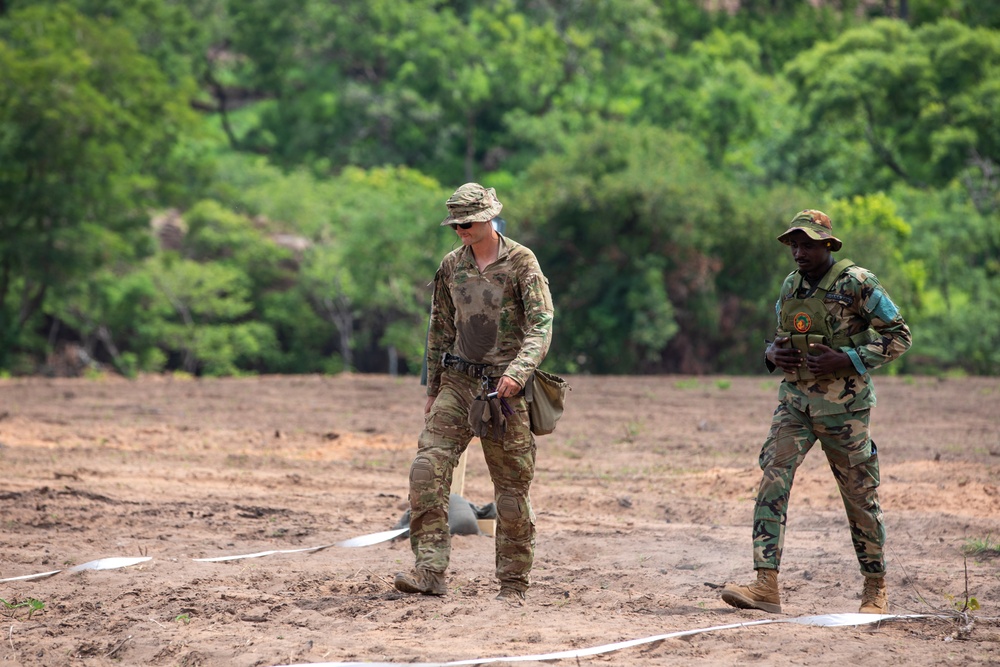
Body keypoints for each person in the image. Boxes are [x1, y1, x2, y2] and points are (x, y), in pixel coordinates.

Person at [721, 209, 911, 615]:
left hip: (845, 411)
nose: (798, 252)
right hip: (795, 405)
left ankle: (875, 588)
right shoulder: (791, 286)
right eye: (794, 244)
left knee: (859, 495)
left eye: (807, 244)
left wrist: (847, 359)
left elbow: (899, 337)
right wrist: (771, 353)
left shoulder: (859, 282)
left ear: (828, 244)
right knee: (773, 480)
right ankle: (765, 584)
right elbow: (779, 336)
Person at [393, 183, 554, 604]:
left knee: (512, 491)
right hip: (459, 383)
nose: (461, 230)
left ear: (488, 217)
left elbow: (542, 323)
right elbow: (440, 327)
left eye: (467, 223)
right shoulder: (451, 266)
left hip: (505, 390)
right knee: (425, 470)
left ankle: (513, 584)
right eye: (455, 225)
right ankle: (429, 570)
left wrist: (519, 373)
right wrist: (433, 388)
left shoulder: (521, 262)